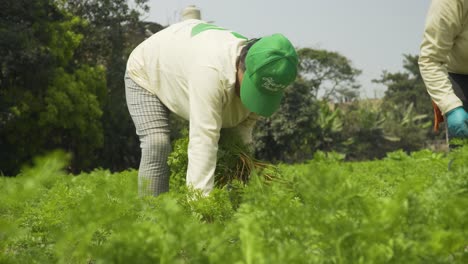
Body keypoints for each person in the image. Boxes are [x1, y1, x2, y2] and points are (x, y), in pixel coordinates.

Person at [125, 19, 298, 196]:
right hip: (147, 70)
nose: (255, 100)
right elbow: (204, 142)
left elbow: (242, 135)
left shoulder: (267, 69)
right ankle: (149, 218)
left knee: (233, 155)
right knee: (158, 144)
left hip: (186, 66)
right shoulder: (210, 73)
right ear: (243, 66)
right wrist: (201, 209)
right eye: (255, 90)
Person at [419, 0, 468, 141]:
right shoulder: (449, 3)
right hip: (461, 77)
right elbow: (431, 59)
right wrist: (451, 107)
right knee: (463, 157)